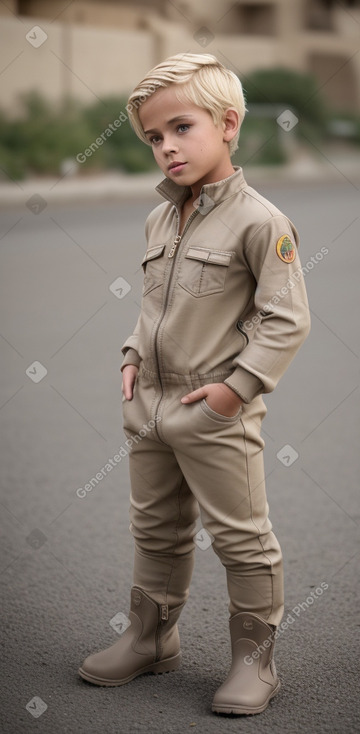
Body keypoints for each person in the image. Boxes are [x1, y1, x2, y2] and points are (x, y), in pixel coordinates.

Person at [78, 52, 310, 716]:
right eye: (153, 137)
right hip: (148, 402)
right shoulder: (160, 220)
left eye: (181, 128)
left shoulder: (261, 223)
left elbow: (286, 319)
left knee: (241, 536)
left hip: (213, 405)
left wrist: (235, 389)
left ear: (228, 123)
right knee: (154, 528)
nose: (166, 147)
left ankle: (253, 661)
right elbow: (153, 306)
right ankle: (151, 637)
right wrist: (129, 356)